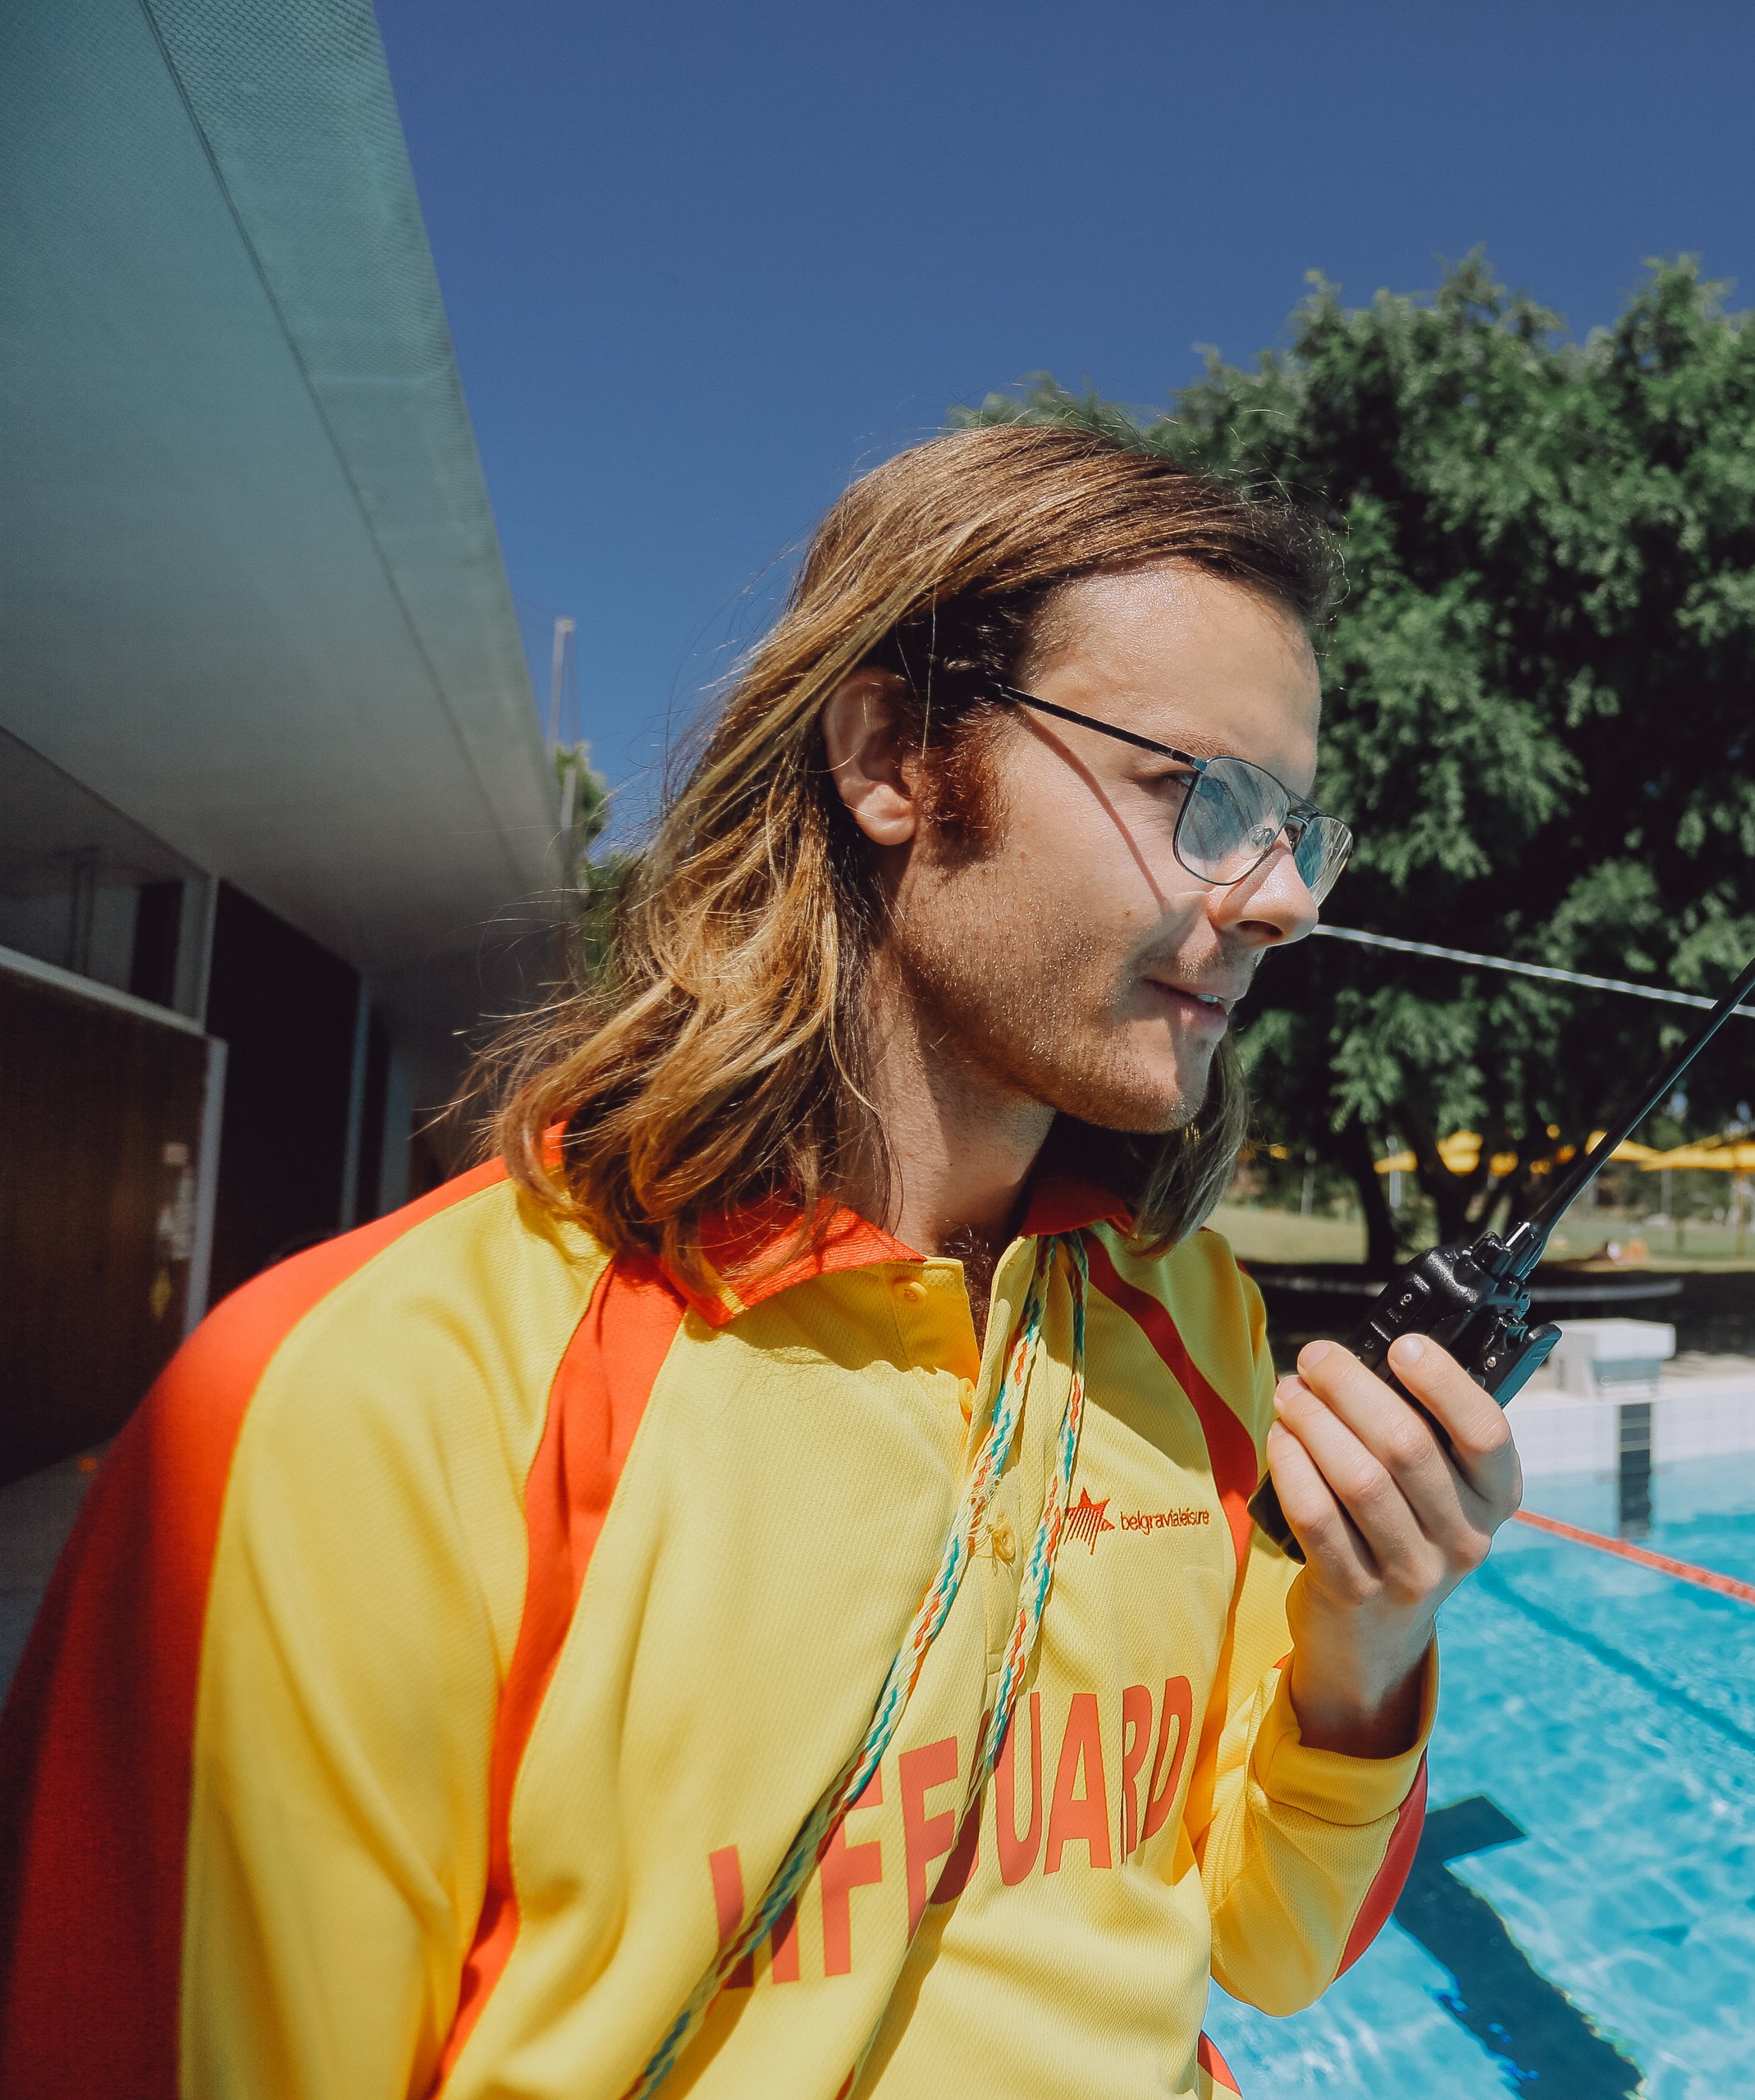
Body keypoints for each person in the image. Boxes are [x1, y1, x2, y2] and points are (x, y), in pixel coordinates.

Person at [0, 426, 1521, 2096]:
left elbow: (1267, 1941)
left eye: (1299, 823)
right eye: (1198, 795)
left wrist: (1368, 1644)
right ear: (892, 758)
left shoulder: (1196, 1327)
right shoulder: (362, 1403)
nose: (1289, 895)